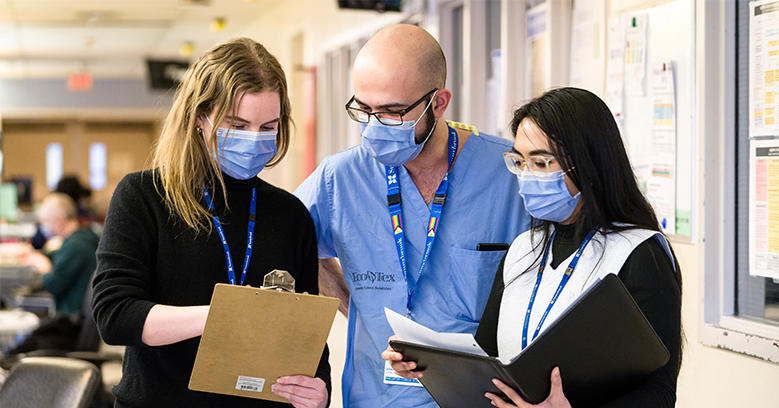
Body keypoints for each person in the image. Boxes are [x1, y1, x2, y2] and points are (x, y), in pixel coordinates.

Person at [384, 87, 683, 407]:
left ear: (589, 163)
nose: (526, 176)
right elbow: (489, 358)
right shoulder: (523, 249)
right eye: (519, 161)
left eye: (541, 162)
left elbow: (659, 393)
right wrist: (429, 362)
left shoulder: (638, 253)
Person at [294, 24, 529, 408]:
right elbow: (290, 243)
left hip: (481, 398)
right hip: (376, 397)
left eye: (391, 112)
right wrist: (356, 309)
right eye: (364, 109)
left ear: (439, 103)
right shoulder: (340, 178)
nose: (373, 126)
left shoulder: (508, 172)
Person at [91, 38, 330, 408]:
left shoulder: (290, 215)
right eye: (238, 124)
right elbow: (116, 315)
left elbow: (307, 337)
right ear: (201, 117)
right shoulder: (144, 196)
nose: (254, 140)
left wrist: (319, 391)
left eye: (268, 126)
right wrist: (226, 315)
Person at [20, 192, 99, 316]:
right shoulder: (80, 238)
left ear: (58, 220)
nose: (42, 227)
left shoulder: (75, 246)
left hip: (70, 318)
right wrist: (38, 255)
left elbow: (53, 285)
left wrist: (44, 267)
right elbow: (57, 256)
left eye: (44, 221)